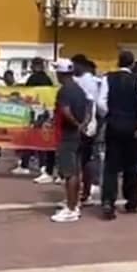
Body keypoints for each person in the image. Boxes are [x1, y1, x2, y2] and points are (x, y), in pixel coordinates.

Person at [97, 51, 137, 220]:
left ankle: (108, 201)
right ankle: (132, 201)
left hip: (114, 124)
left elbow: (100, 101)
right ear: (132, 64)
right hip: (131, 125)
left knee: (111, 166)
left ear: (118, 62)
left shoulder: (108, 78)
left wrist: (108, 115)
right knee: (132, 165)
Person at [50, 58, 89, 223]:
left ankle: (71, 209)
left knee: (69, 173)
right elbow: (88, 108)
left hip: (68, 135)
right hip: (78, 135)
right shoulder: (79, 89)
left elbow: (65, 111)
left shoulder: (65, 90)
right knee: (76, 171)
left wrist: (76, 124)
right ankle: (74, 203)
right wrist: (84, 124)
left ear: (61, 73)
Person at [71, 55, 100, 205]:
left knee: (78, 160)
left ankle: (80, 194)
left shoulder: (87, 81)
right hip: (85, 125)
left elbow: (90, 104)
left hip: (83, 125)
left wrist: (84, 122)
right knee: (84, 159)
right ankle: (84, 192)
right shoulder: (84, 80)